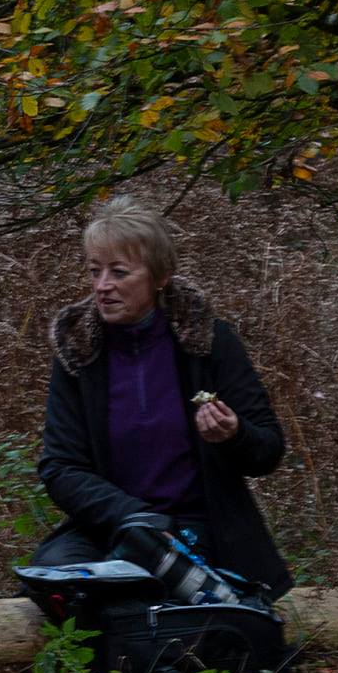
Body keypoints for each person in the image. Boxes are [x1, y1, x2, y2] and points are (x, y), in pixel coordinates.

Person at [31, 197, 292, 598]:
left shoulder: (210, 343)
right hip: (113, 526)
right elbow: (60, 468)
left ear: (160, 276)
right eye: (94, 271)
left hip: (198, 528)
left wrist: (235, 434)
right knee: (54, 577)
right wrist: (134, 516)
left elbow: (268, 450)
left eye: (119, 272)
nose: (103, 286)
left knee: (158, 584)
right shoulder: (78, 353)